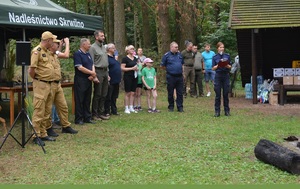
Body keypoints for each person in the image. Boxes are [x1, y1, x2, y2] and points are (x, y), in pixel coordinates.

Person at [28, 31, 57, 146]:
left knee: (47, 110)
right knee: (39, 110)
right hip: (40, 84)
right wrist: (37, 80)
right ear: (48, 40)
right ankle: (36, 135)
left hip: (49, 84)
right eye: (52, 40)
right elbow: (32, 70)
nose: (54, 42)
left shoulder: (47, 52)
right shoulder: (37, 51)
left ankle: (44, 133)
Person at [47, 37, 78, 136]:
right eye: (56, 43)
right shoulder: (46, 53)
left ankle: (65, 126)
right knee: (48, 108)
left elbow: (58, 53)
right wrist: (67, 43)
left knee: (63, 106)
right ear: (51, 45)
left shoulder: (54, 53)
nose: (58, 44)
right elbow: (66, 55)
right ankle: (48, 128)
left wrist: (60, 46)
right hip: (49, 84)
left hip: (57, 84)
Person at [73, 38, 97, 125]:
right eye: (88, 44)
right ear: (83, 44)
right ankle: (79, 118)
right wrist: (92, 73)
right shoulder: (77, 54)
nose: (90, 45)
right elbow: (80, 67)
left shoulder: (88, 54)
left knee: (87, 99)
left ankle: (87, 117)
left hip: (89, 79)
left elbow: (92, 64)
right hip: (81, 80)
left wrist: (92, 74)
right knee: (80, 99)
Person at [89, 30, 110, 121]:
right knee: (98, 93)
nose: (103, 37)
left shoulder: (104, 47)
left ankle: (101, 112)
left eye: (103, 35)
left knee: (104, 93)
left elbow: (106, 61)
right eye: (101, 36)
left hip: (105, 71)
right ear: (96, 37)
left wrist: (108, 73)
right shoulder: (92, 48)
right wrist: (94, 76)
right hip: (98, 71)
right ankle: (94, 114)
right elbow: (91, 62)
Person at [160, 42, 184, 112]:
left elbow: (182, 64)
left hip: (179, 76)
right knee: (170, 92)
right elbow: (162, 66)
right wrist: (169, 69)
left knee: (180, 92)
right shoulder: (166, 55)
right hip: (171, 76)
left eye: (177, 47)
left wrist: (183, 72)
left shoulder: (179, 55)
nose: (177, 48)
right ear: (171, 48)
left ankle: (180, 107)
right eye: (176, 47)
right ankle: (171, 106)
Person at [212, 42, 231, 117]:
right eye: (220, 47)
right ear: (217, 48)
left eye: (223, 47)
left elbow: (230, 66)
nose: (222, 49)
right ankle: (217, 111)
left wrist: (226, 65)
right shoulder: (215, 57)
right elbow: (213, 68)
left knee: (226, 94)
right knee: (218, 95)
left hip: (225, 75)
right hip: (218, 76)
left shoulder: (227, 56)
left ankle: (227, 111)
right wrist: (218, 65)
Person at [104, 43, 122, 116]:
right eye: (113, 48)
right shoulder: (106, 58)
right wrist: (107, 75)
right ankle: (107, 110)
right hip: (110, 80)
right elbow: (106, 68)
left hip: (116, 80)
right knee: (109, 96)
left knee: (114, 96)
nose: (115, 49)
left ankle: (114, 110)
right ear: (109, 49)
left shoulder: (114, 57)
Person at [121, 45, 139, 114]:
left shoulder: (135, 58)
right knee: (127, 92)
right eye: (131, 49)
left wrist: (137, 68)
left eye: (133, 49)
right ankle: (126, 107)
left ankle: (131, 107)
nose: (132, 50)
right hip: (127, 76)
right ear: (127, 51)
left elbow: (137, 66)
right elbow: (122, 68)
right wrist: (131, 68)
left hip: (134, 76)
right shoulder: (125, 59)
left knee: (133, 92)